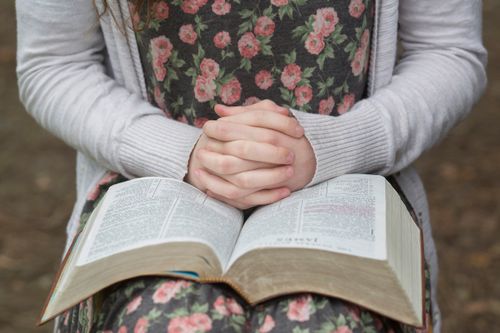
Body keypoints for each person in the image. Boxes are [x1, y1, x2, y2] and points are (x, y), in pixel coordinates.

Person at [16, 0, 486, 332]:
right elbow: (55, 64)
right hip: (152, 188)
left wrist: (336, 144)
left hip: (346, 187)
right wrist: (179, 151)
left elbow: (448, 51)